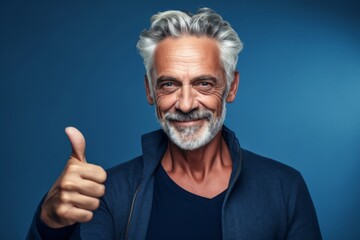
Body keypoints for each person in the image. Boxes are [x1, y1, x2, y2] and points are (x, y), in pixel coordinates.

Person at [27, 7, 322, 240]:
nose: (185, 103)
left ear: (231, 87)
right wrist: (51, 224)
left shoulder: (285, 187)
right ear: (149, 91)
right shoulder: (109, 193)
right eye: (168, 84)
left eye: (204, 84)